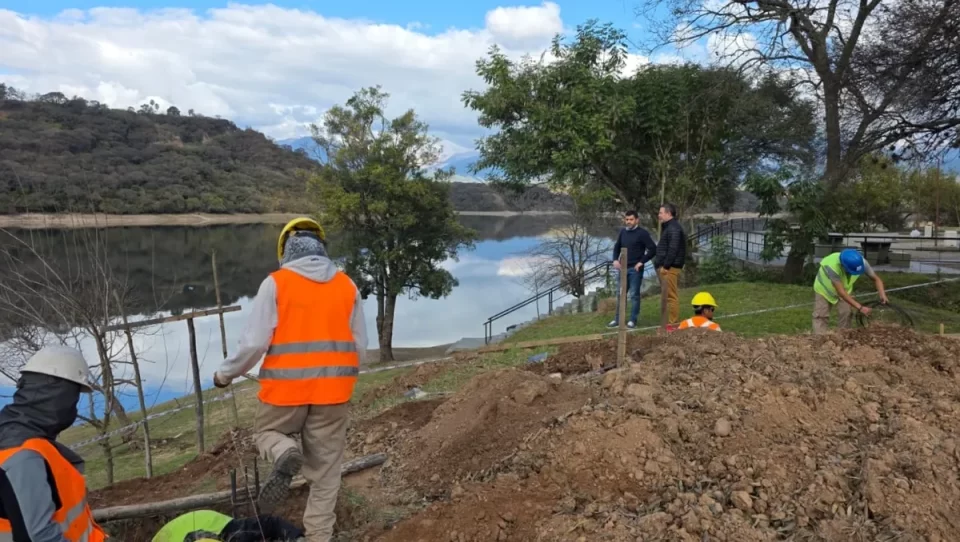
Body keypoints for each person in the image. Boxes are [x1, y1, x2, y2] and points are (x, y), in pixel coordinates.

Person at [212, 217, 367, 542]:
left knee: (267, 432)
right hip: (333, 395)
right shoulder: (347, 285)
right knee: (326, 475)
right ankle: (318, 538)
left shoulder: (276, 283)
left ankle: (284, 450)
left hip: (285, 392)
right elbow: (360, 349)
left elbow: (254, 344)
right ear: (323, 248)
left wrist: (224, 374)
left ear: (284, 251)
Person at [0, 345, 107, 542]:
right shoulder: (21, 455)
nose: (73, 407)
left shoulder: (27, 437)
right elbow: (39, 538)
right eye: (73, 396)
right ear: (57, 395)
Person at [813, 248, 888, 334]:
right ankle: (819, 339)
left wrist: (882, 294)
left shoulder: (861, 263)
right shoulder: (832, 267)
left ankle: (843, 336)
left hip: (845, 290)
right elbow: (841, 293)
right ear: (843, 266)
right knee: (821, 316)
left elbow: (876, 279)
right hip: (824, 290)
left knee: (846, 313)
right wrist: (860, 307)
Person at [607, 210, 657, 329]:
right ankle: (618, 319)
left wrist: (641, 262)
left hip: (635, 270)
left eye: (631, 219)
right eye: (627, 219)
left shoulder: (643, 233)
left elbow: (653, 249)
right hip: (623, 269)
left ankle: (632, 320)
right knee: (621, 294)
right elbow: (617, 247)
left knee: (634, 295)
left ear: (637, 220)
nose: (628, 222)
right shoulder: (623, 232)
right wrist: (615, 260)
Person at [152, 509, 304, 542]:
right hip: (185, 530)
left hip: (210, 524)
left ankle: (296, 538)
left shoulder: (232, 535)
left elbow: (273, 523)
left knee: (252, 531)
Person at [654, 203, 686, 331]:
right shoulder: (668, 227)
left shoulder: (674, 228)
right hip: (667, 266)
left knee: (671, 296)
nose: (659, 215)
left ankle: (673, 325)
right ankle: (669, 323)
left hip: (670, 267)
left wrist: (666, 266)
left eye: (661, 212)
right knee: (667, 295)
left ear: (668, 213)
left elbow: (673, 249)